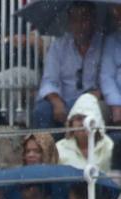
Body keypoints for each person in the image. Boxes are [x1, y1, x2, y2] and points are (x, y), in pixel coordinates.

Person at [35, 2, 104, 130]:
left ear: (93, 20)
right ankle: (48, 149)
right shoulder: (58, 46)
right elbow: (49, 80)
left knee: (90, 110)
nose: (79, 25)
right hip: (64, 102)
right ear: (69, 23)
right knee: (42, 110)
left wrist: (96, 94)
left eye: (84, 19)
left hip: (93, 101)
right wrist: (56, 102)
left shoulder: (104, 45)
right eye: (75, 20)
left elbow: (107, 80)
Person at [56, 93, 113, 168]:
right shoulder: (59, 149)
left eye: (88, 119)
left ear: (98, 123)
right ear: (71, 124)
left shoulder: (110, 147)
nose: (84, 124)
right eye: (79, 119)